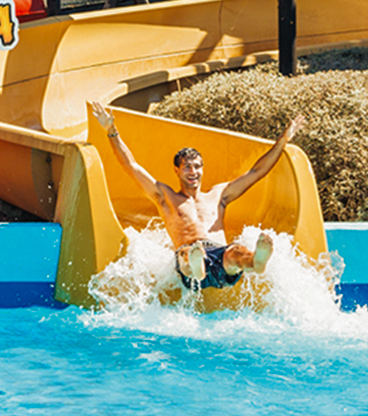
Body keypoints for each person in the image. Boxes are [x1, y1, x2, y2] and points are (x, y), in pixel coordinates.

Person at [90, 102, 304, 290]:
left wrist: (283, 140)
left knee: (236, 252)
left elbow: (256, 172)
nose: (193, 172)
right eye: (187, 167)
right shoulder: (166, 197)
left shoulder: (218, 195)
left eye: (197, 167)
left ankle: (255, 262)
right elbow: (131, 166)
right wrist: (111, 130)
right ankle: (196, 269)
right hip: (189, 258)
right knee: (187, 253)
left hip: (220, 255)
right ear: (177, 170)